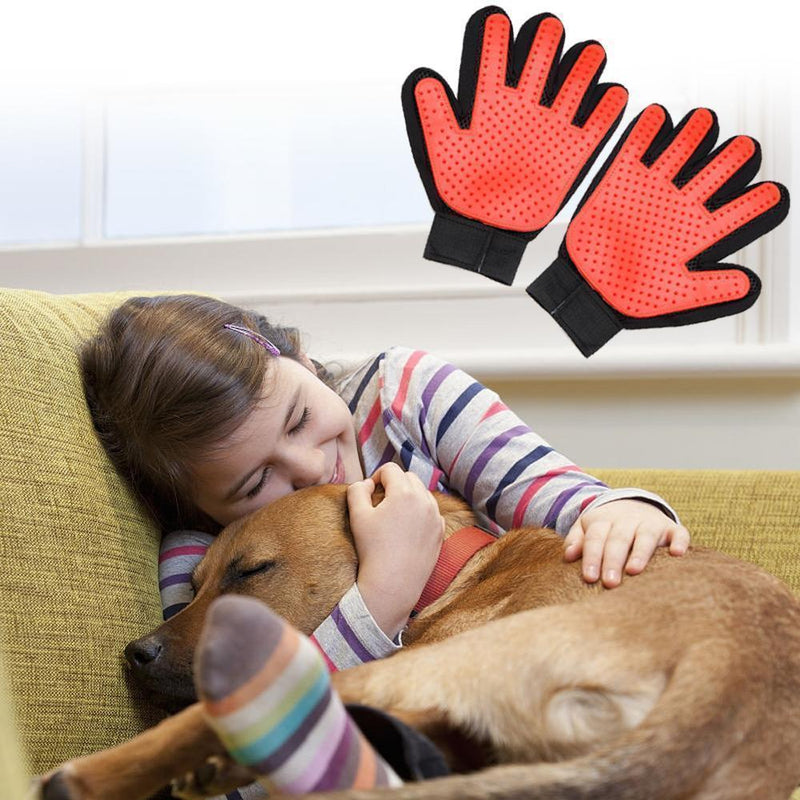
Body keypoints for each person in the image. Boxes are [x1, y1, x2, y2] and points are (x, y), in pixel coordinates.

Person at [81, 293, 689, 795]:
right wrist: (382, 594)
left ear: (303, 363)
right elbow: (232, 760)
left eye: (297, 418)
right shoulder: (204, 549)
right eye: (254, 482)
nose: (313, 465)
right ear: (203, 506)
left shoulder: (402, 394)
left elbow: (554, 495)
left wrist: (619, 509)